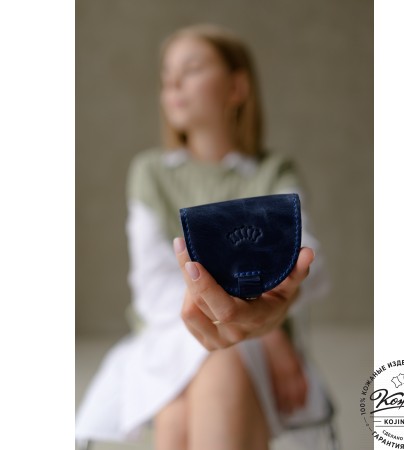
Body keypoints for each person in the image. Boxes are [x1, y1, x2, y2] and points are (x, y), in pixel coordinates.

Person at [76, 23, 331, 450]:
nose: (173, 83)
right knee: (207, 370)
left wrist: (259, 328)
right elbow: (153, 290)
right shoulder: (150, 173)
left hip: (244, 342)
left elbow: (310, 264)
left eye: (191, 68)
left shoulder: (273, 172)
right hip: (169, 333)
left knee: (212, 373)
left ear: (236, 87)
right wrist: (270, 336)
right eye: (166, 76)